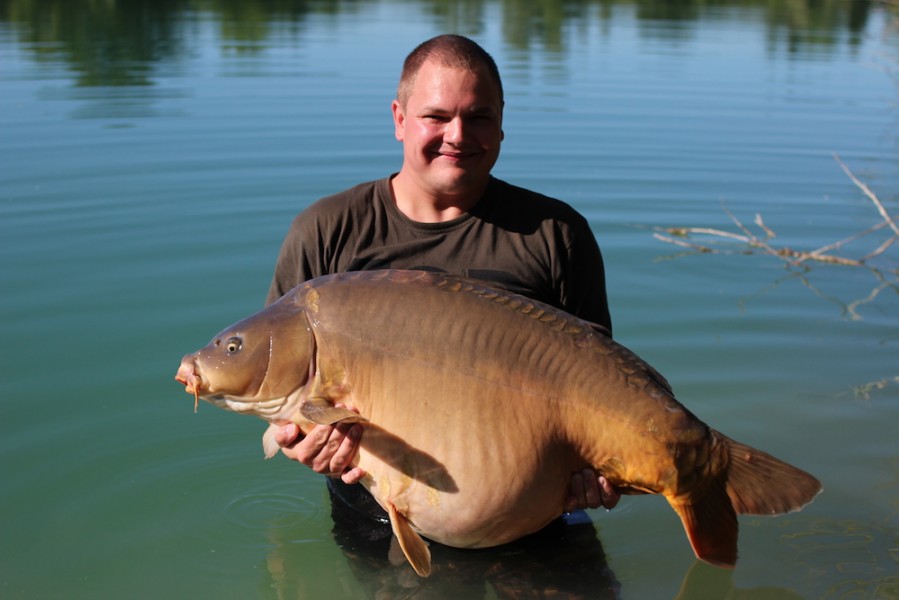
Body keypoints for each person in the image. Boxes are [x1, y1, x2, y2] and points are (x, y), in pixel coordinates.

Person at [264, 34, 620, 552]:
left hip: (539, 515)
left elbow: (598, 389)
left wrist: (597, 471)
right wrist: (303, 444)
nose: (457, 135)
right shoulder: (326, 232)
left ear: (501, 123)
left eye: (477, 117)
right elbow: (285, 400)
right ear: (399, 118)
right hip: (383, 517)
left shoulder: (555, 233)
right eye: (436, 116)